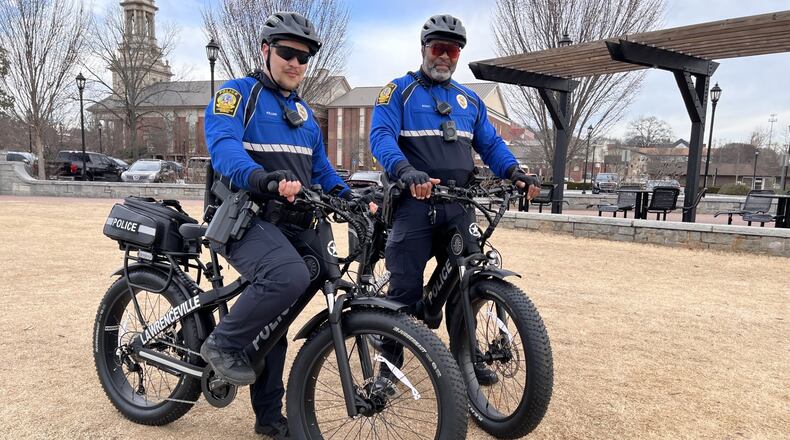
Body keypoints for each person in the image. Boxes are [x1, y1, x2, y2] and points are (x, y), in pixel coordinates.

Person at [202, 12, 357, 438]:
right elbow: (224, 149)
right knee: (286, 276)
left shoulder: (305, 115)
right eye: (288, 53)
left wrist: (353, 198)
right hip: (242, 217)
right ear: (266, 50)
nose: (296, 63)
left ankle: (269, 419)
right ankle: (223, 343)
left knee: (279, 321)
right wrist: (262, 178)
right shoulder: (237, 95)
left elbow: (322, 171)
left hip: (293, 222)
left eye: (303, 57)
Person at [369, 14, 541, 386]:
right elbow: (380, 137)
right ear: (423, 49)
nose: (444, 56)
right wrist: (404, 170)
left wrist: (515, 172)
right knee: (404, 290)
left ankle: (467, 357)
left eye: (452, 50)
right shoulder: (398, 91)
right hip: (414, 201)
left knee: (466, 277)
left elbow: (491, 145)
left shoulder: (469, 101)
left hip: (457, 203)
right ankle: (388, 366)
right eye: (437, 48)